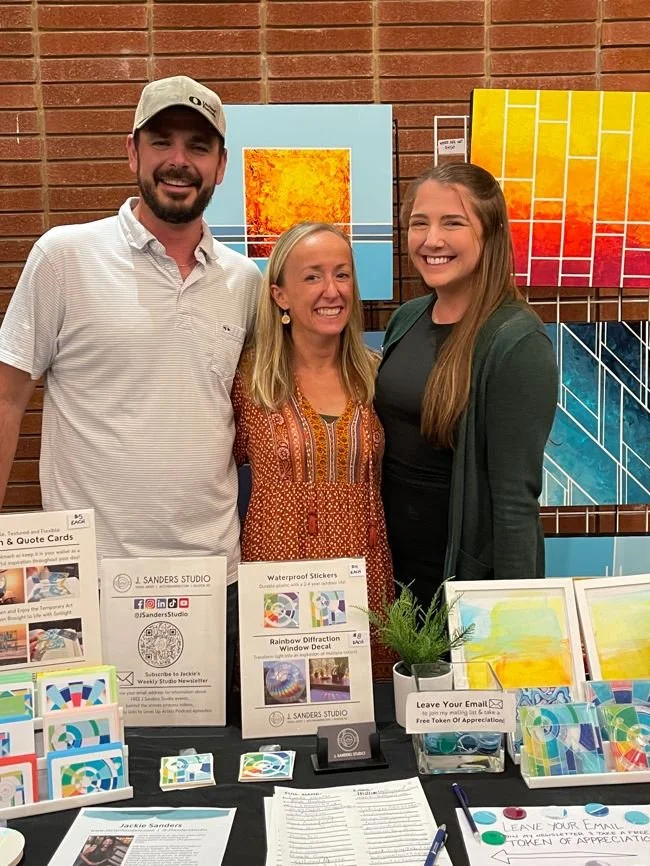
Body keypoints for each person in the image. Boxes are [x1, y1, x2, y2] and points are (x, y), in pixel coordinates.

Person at [0, 75, 261, 582]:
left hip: (214, 575)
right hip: (89, 576)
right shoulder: (63, 257)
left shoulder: (243, 280)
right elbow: (7, 400)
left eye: (198, 146)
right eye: (161, 142)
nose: (179, 161)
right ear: (132, 153)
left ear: (221, 165)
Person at [375, 163, 558, 608]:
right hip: (391, 574)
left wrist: (516, 616)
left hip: (460, 587)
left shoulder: (515, 341)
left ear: (491, 232)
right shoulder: (407, 318)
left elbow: (515, 504)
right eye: (420, 223)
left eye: (452, 223)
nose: (432, 240)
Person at [232, 223, 395, 678]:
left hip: (365, 581)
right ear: (280, 295)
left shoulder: (377, 376)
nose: (331, 290)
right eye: (312, 276)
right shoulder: (247, 382)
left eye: (342, 274)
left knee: (369, 709)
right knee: (284, 700)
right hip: (279, 586)